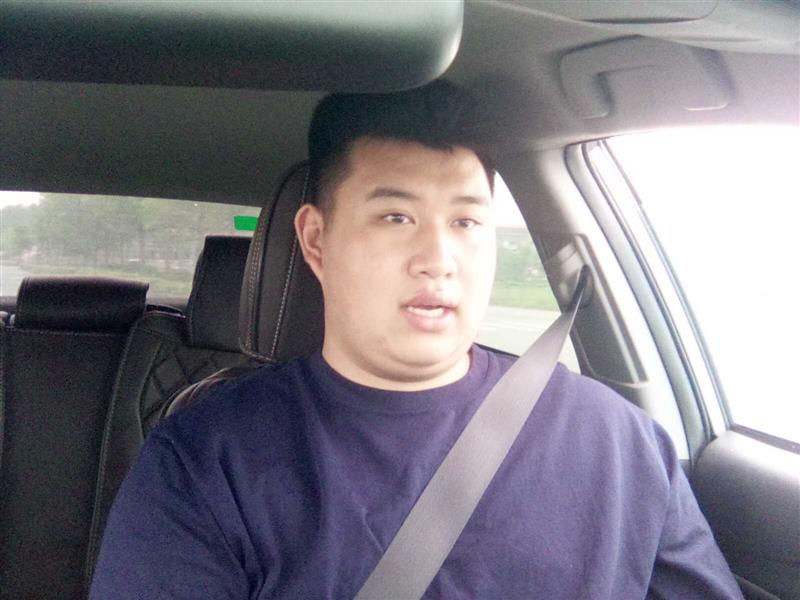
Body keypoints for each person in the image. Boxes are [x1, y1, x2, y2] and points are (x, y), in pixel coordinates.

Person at [90, 81, 743, 599]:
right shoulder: (205, 463)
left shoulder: (623, 443)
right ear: (316, 241)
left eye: (465, 221)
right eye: (396, 217)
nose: (438, 259)